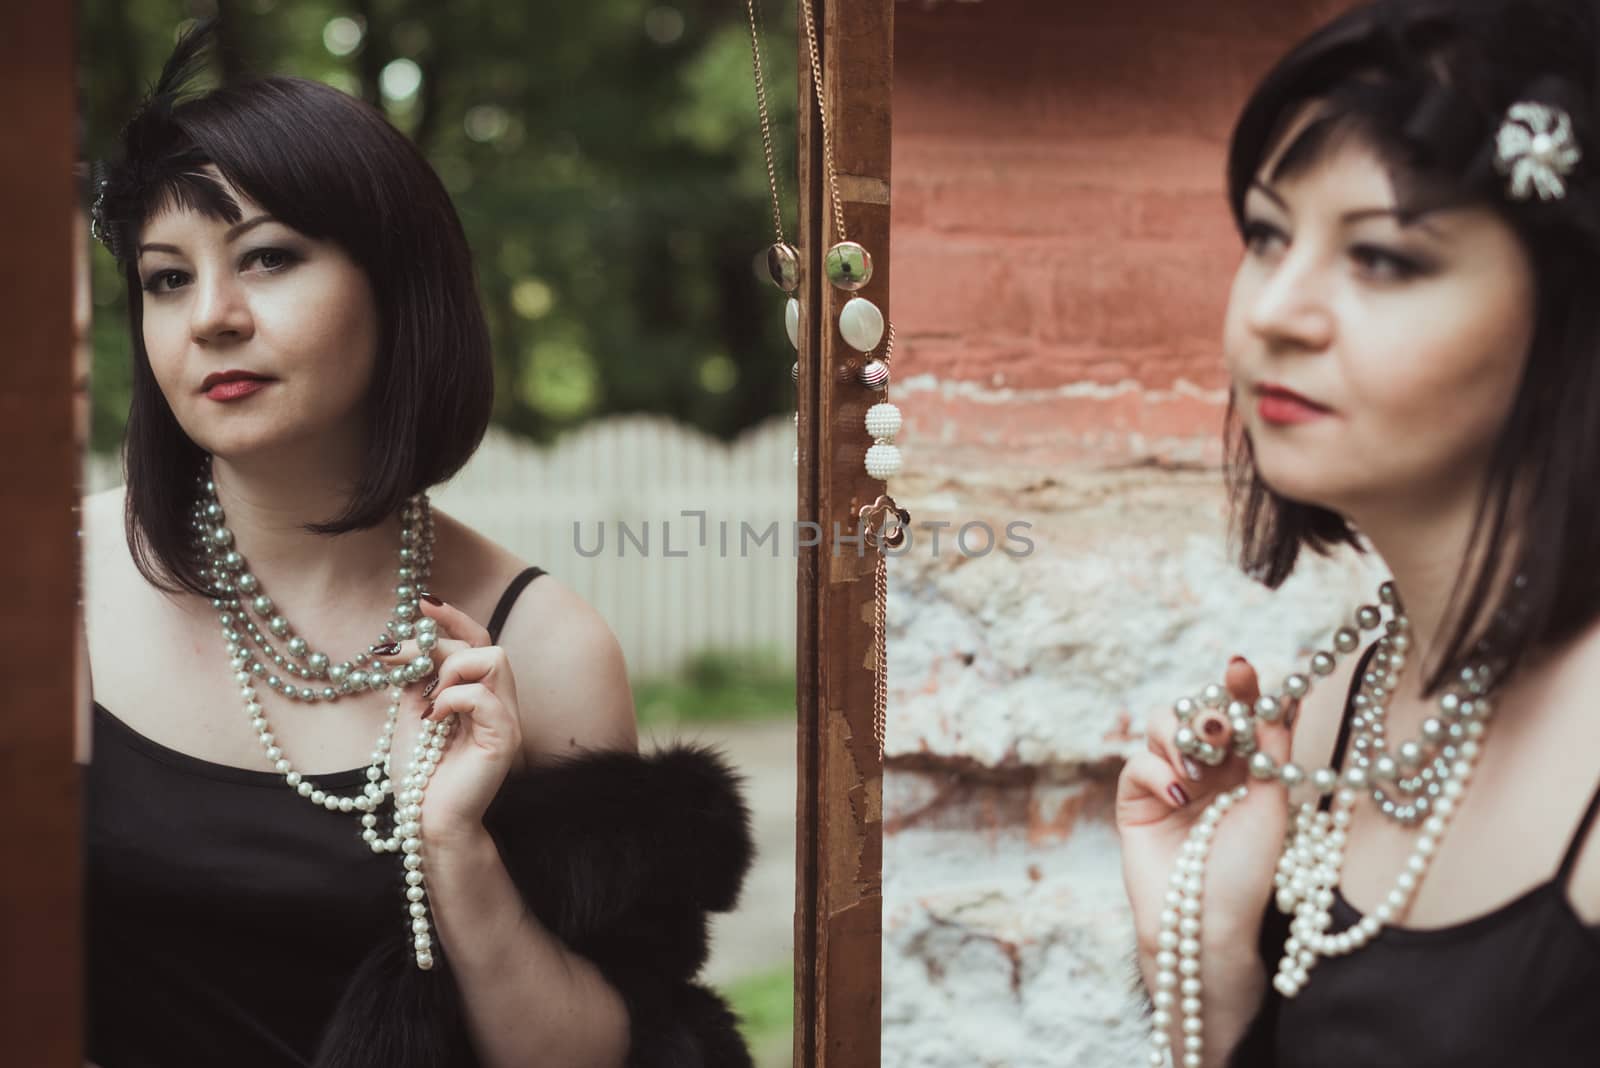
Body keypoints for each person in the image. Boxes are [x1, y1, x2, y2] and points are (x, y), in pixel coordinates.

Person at [82, 20, 753, 1068]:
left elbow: (612, 1055)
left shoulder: (545, 649)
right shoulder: (54, 586)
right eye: (167, 277)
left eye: (265, 258)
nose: (210, 316)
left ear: (397, 289)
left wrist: (457, 850)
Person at [1115, 1, 1600, 1065]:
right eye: (1265, 235)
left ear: (1567, 315)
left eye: (1381, 257)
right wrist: (1201, 968)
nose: (1275, 313)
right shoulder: (1341, 704)